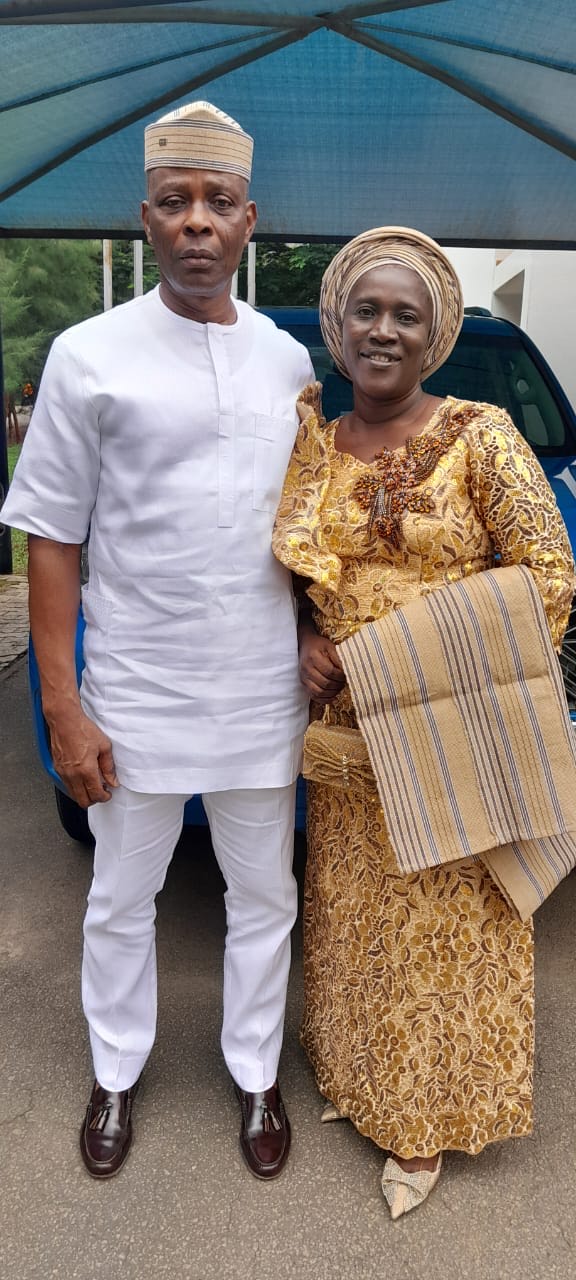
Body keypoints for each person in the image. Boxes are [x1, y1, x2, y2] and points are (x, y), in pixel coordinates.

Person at [0, 101, 314, 1181]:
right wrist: (61, 706)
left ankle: (257, 1069)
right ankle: (117, 1070)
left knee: (264, 893)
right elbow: (50, 535)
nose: (195, 222)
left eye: (217, 203)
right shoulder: (89, 354)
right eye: (175, 202)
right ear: (145, 220)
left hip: (261, 693)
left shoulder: (284, 361)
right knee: (121, 897)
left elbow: (310, 527)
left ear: (247, 221)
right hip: (132, 690)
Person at [272, 226, 575, 1218]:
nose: (385, 330)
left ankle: (429, 1119)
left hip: (455, 737)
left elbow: (549, 580)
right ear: (338, 324)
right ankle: (362, 1086)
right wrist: (305, 640)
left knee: (449, 934)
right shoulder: (311, 438)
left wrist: (395, 662)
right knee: (358, 926)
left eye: (407, 313)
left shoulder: (482, 433)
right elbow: (279, 565)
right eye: (368, 309)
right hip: (346, 749)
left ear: (436, 330)